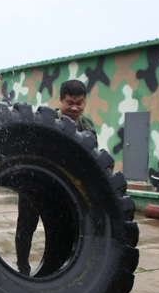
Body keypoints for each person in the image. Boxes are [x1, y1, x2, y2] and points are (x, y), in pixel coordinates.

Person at [14, 80, 97, 275]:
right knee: (25, 229)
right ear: (60, 100)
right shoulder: (47, 122)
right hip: (35, 185)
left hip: (64, 189)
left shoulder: (87, 127)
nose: (75, 107)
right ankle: (23, 269)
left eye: (80, 102)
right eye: (70, 102)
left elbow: (91, 160)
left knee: (62, 231)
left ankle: (59, 270)